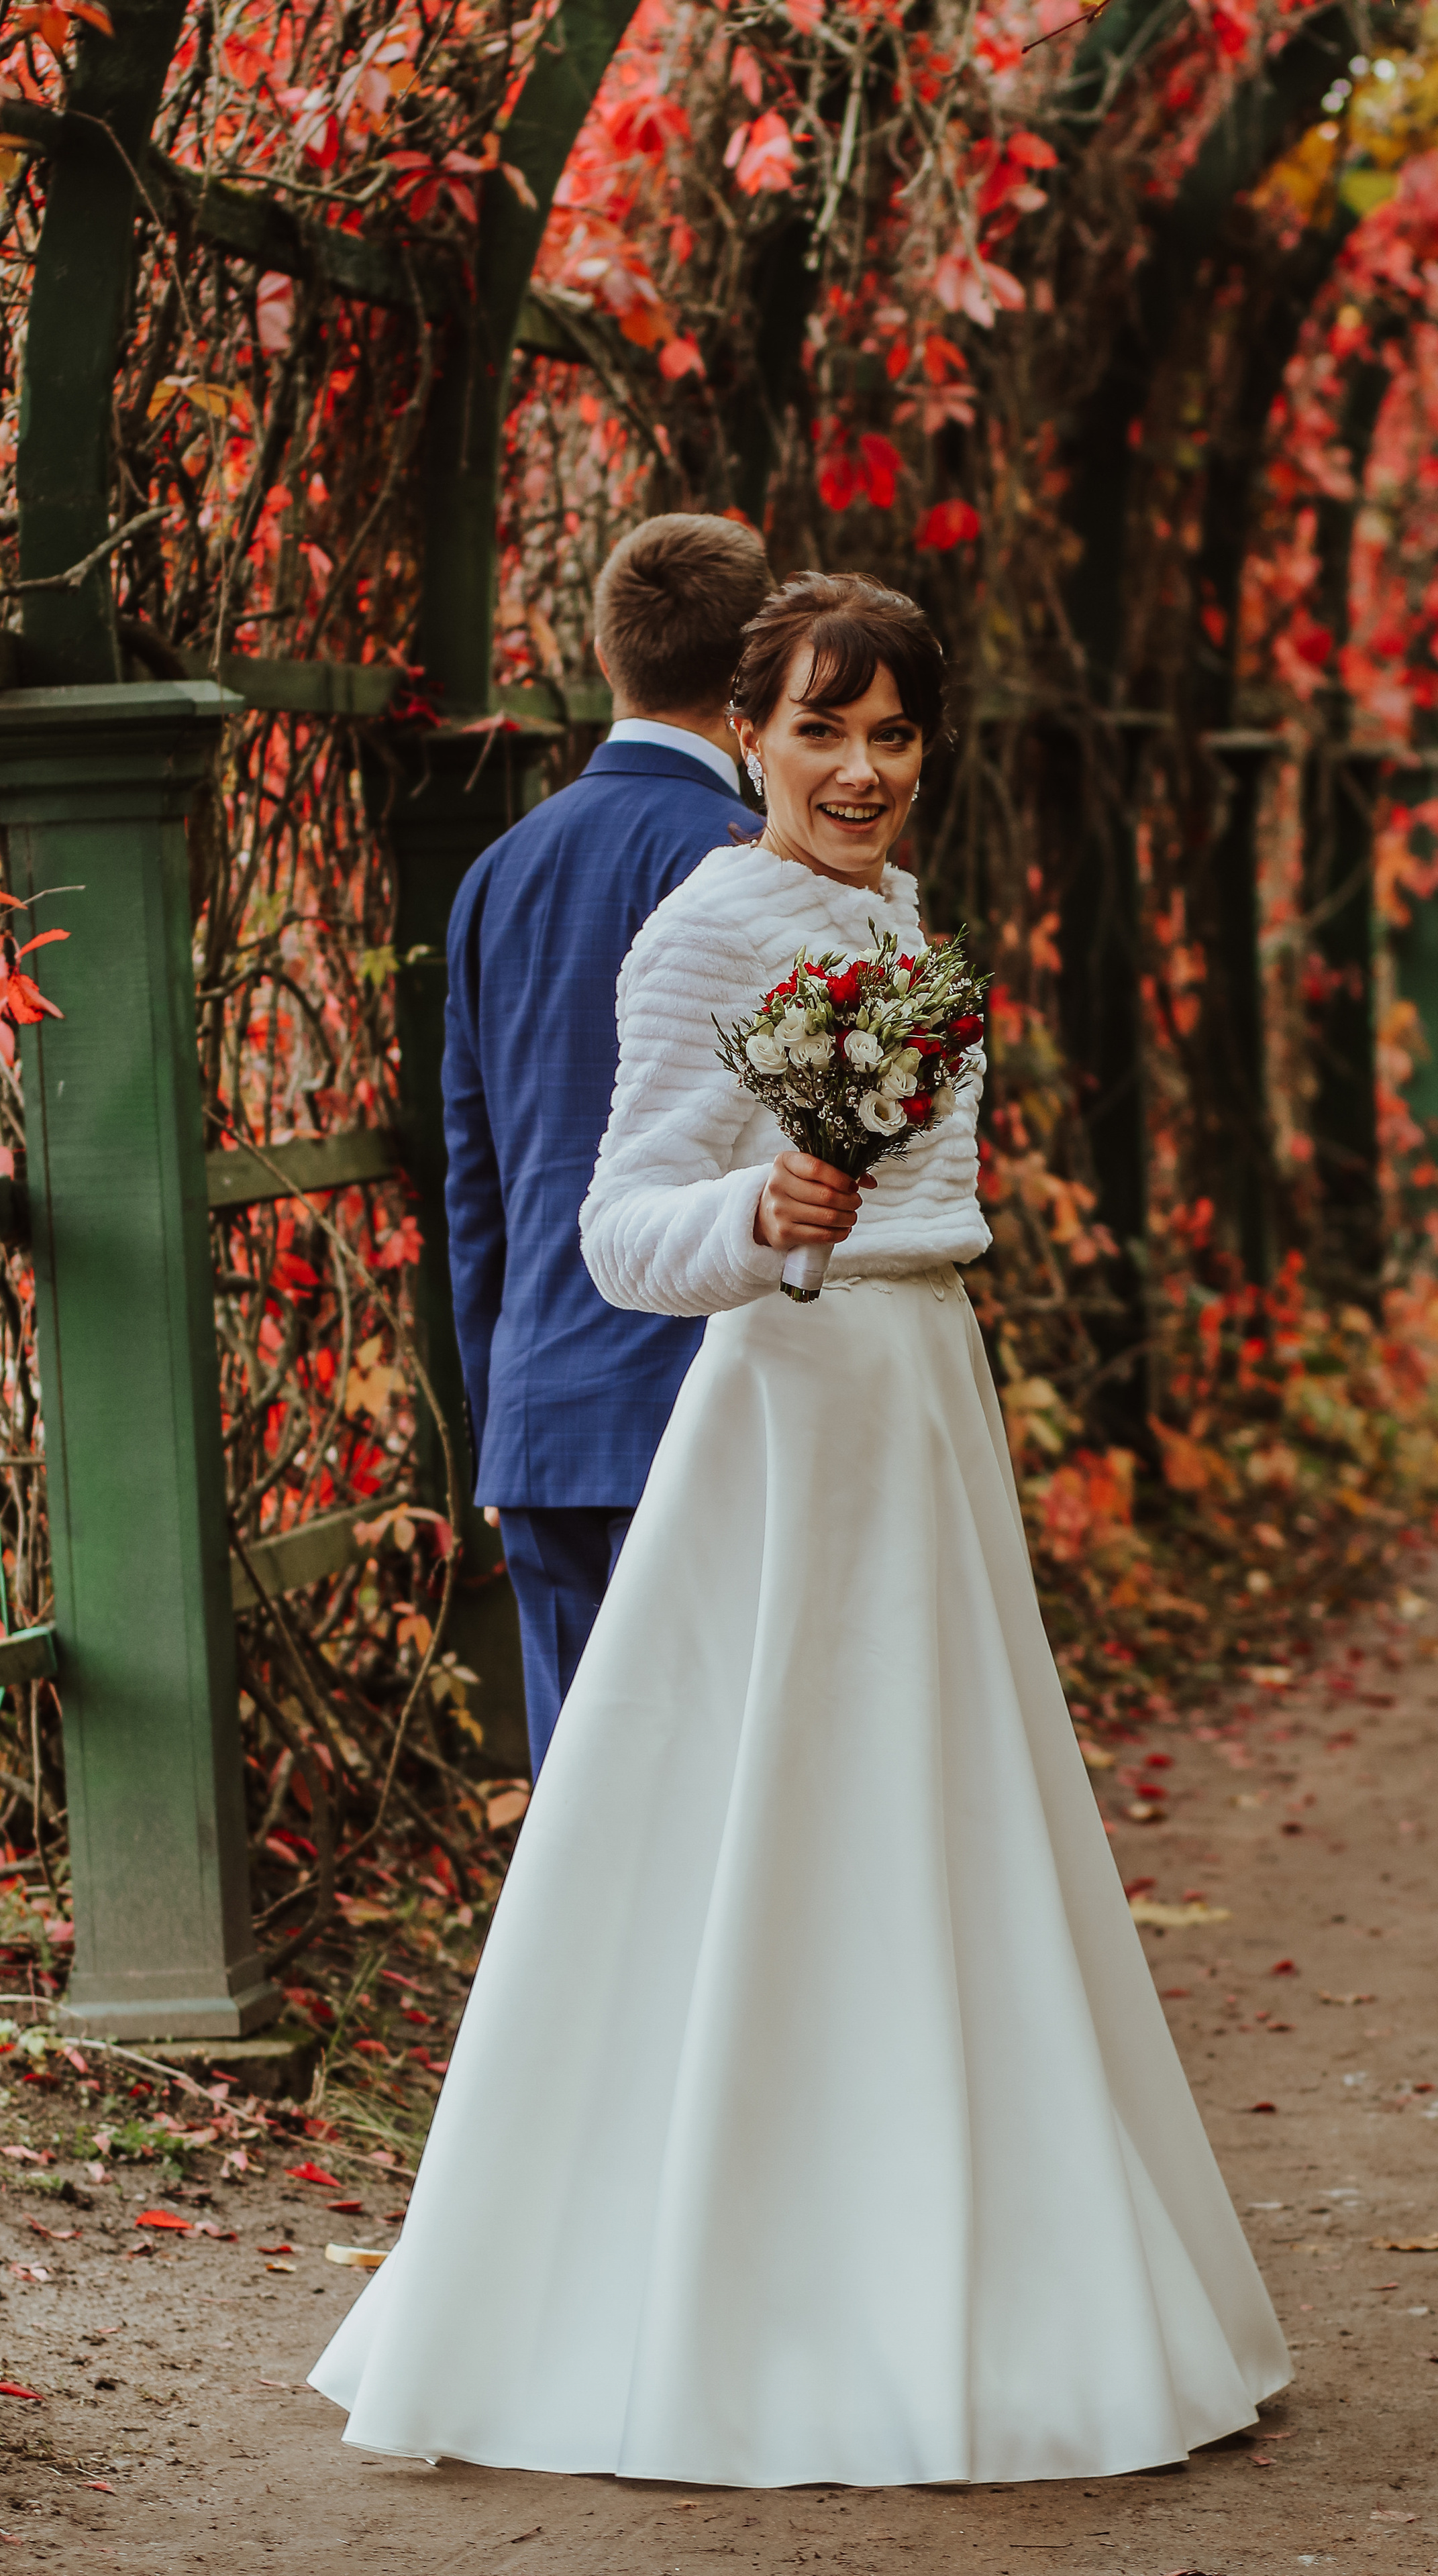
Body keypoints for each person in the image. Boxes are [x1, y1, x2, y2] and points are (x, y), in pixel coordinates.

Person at [311, 572, 1290, 2485]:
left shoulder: (893, 917)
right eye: (823, 729)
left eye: (894, 734)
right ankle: (741, 2293)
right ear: (745, 732)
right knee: (772, 1821)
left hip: (923, 1398)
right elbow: (615, 1227)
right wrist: (767, 1213)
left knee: (946, 1819)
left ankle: (992, 2263)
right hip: (791, 1403)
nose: (860, 769)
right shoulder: (707, 920)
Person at [442, 513, 770, 1778]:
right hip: (714, 1404)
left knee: (591, 1811)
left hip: (544, 1420)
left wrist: (500, 1411)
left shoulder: (497, 873)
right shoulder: (749, 869)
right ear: (756, 676)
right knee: (734, 1807)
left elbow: (479, 1189)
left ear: (606, 651)